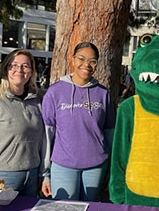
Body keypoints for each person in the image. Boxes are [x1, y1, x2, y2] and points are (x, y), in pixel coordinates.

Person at [41, 42, 115, 201]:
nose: (86, 65)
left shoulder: (103, 94)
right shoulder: (55, 92)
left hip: (96, 166)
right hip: (63, 166)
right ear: (73, 60)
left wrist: (109, 170)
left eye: (92, 61)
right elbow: (47, 136)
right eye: (81, 59)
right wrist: (45, 174)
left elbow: (109, 134)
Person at [0, 49, 48, 197]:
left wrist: (43, 173)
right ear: (6, 69)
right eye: (13, 65)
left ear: (32, 71)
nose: (19, 70)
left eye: (25, 66)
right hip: (4, 174)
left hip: (32, 174)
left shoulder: (37, 100)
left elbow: (44, 139)